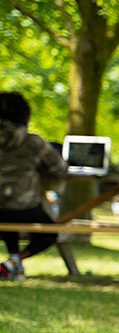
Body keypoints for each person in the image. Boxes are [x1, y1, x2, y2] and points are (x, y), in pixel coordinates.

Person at [0, 92, 68, 281]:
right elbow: (60, 169)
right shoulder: (32, 143)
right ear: (25, 116)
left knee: (6, 213)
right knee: (51, 233)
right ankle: (13, 262)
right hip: (25, 208)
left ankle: (14, 266)